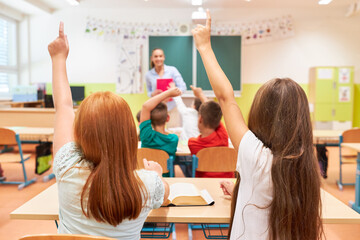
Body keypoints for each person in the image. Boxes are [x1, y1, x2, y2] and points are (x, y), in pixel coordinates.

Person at [192, 10, 323, 240]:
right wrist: (244, 190)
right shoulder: (305, 164)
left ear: (262, 114)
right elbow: (277, 196)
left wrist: (205, 47)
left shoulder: (255, 156)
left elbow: (225, 97)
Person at [48, 22, 169, 240]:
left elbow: (64, 107)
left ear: (81, 132)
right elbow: (165, 193)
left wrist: (58, 58)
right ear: (129, 136)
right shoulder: (148, 185)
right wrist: (157, 174)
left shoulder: (66, 166)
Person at [139, 87, 181, 174]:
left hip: (147, 179)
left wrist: (168, 93)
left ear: (149, 119)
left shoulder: (146, 136)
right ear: (168, 118)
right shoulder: (173, 139)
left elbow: (146, 106)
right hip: (165, 181)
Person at [187, 99, 232, 178]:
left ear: (200, 119)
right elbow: (216, 117)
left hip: (204, 185)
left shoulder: (193, 143)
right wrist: (201, 94)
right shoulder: (223, 136)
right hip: (226, 183)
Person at [145, 48, 187, 128]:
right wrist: (153, 94)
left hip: (172, 108)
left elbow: (183, 87)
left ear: (164, 57)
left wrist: (171, 94)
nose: (158, 59)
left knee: (173, 133)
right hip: (157, 109)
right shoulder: (148, 75)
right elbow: (149, 92)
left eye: (160, 56)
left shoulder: (172, 70)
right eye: (156, 56)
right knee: (158, 134)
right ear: (152, 58)